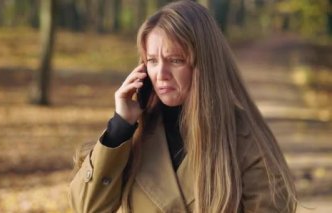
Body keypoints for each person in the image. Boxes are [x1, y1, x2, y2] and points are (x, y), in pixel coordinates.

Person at [70, 1, 297, 212]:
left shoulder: (243, 139)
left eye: (175, 60)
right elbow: (87, 207)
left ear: (203, 64)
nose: (161, 74)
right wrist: (120, 127)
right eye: (152, 61)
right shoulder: (133, 134)